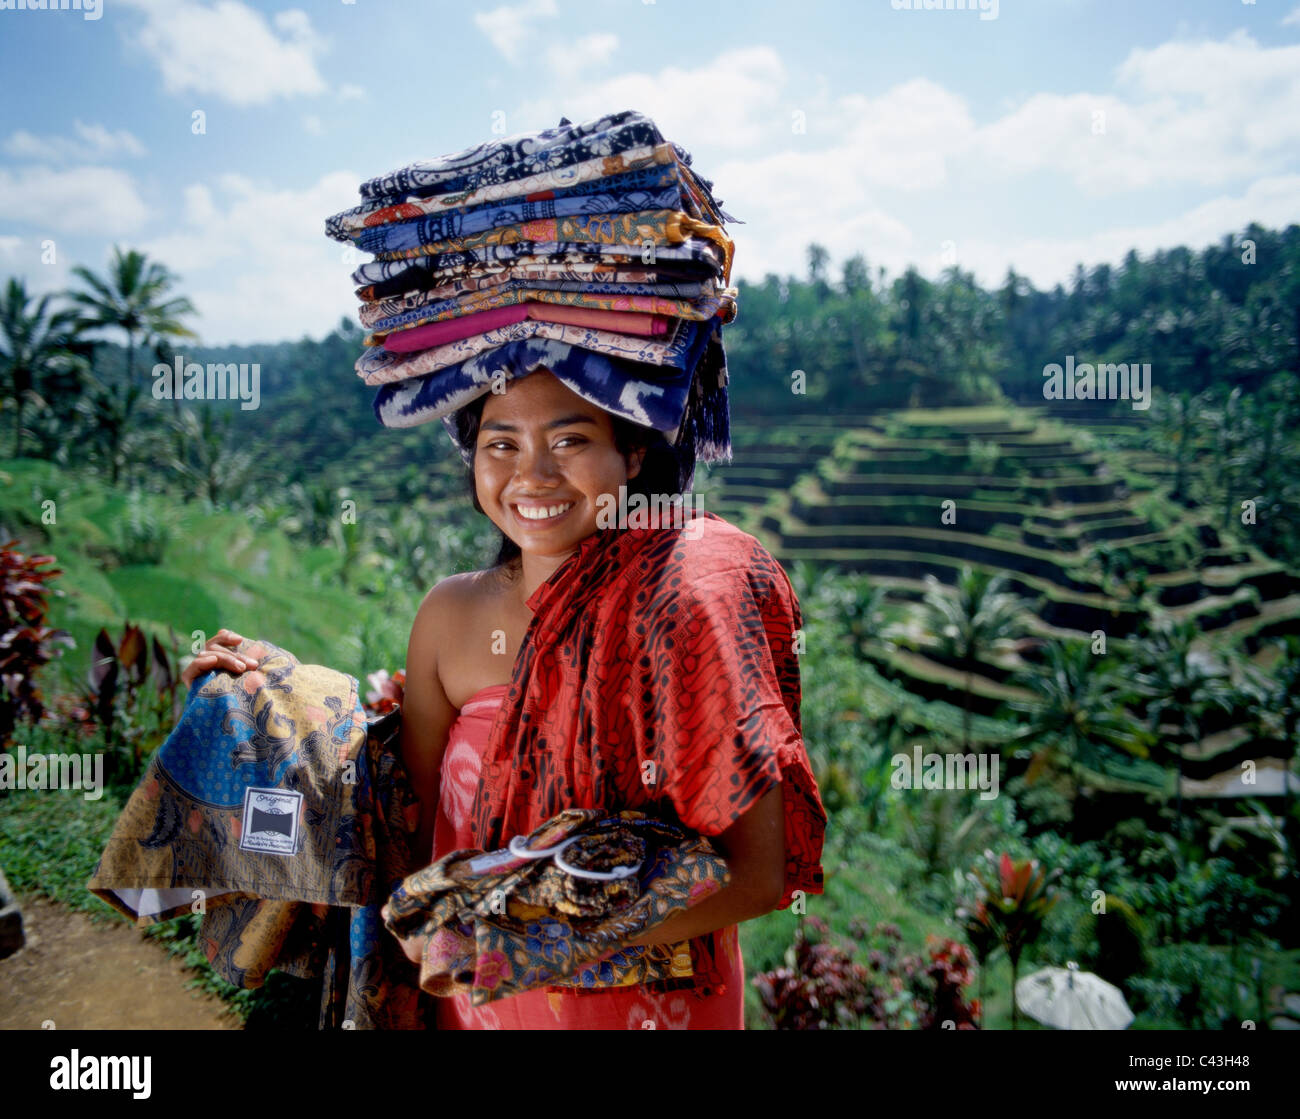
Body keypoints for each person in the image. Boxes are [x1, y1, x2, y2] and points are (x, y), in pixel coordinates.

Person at [182, 365, 825, 1030]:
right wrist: (271, 696)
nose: (532, 475)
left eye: (570, 440)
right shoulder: (450, 614)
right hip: (474, 1002)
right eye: (502, 444)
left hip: (645, 1006)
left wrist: (540, 937)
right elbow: (404, 815)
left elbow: (757, 874)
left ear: (633, 451)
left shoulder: (686, 608)